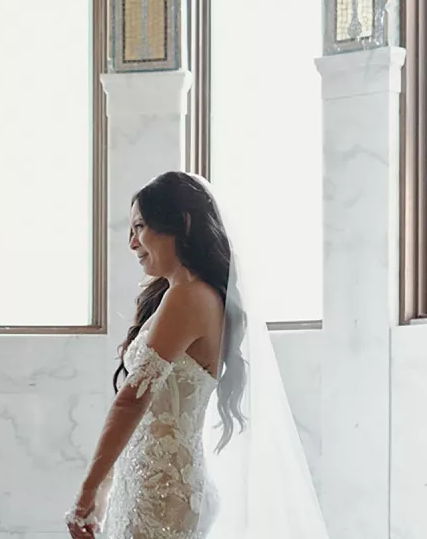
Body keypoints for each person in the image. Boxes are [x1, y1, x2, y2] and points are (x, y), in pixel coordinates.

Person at [66, 171, 329, 539]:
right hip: (157, 479)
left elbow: (132, 401)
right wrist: (107, 486)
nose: (131, 242)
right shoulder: (184, 295)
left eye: (140, 226)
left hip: (161, 490)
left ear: (181, 224)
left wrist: (87, 491)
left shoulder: (188, 296)